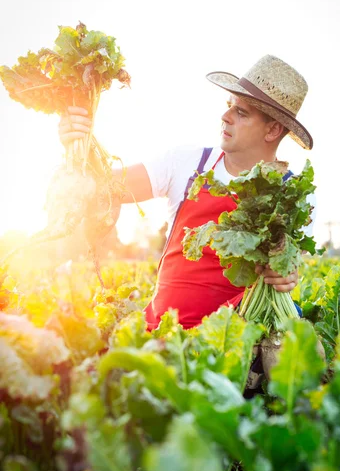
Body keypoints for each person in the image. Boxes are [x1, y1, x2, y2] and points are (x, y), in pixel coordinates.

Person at [58, 54, 315, 331]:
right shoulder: (187, 163)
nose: (225, 116)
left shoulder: (293, 194)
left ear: (273, 129)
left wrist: (285, 274)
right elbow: (105, 187)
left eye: (241, 113)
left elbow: (288, 269)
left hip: (234, 345)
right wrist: (78, 142)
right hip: (164, 332)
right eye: (230, 106)